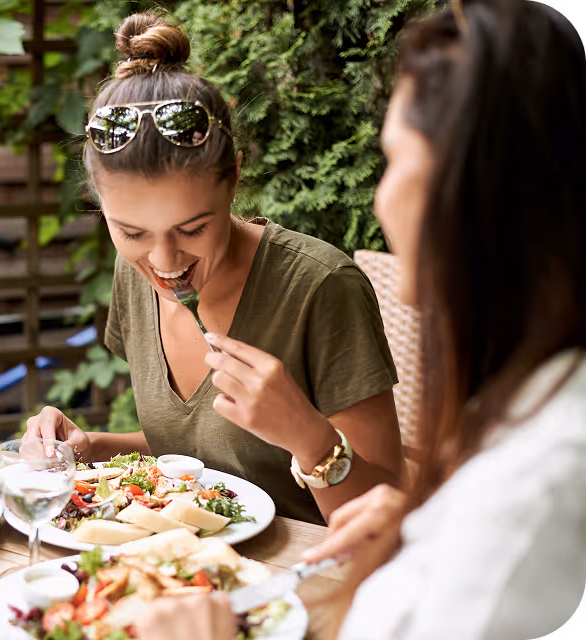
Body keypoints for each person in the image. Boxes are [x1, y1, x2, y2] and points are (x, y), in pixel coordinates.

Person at [134, 1, 586, 638]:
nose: (381, 194)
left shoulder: (530, 498)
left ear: (480, 191)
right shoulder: (525, 417)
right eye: (132, 231)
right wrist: (418, 528)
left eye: (396, 157)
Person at [26, 14, 405, 524]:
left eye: (192, 228)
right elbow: (201, 450)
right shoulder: (131, 275)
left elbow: (390, 519)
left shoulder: (321, 286)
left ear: (235, 178)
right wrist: (89, 447)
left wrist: (308, 437)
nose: (164, 262)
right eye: (133, 233)